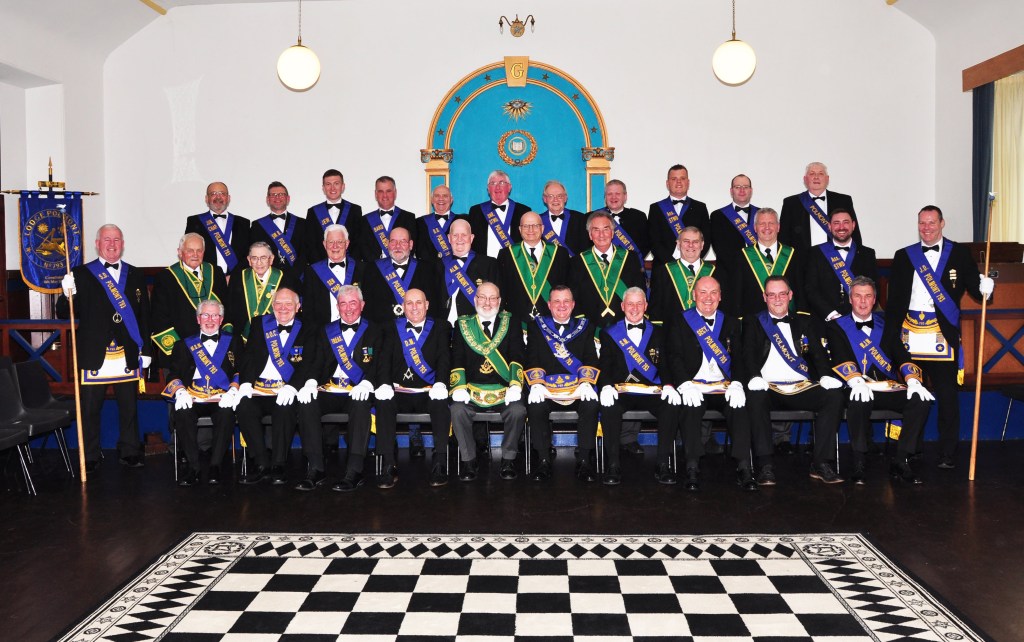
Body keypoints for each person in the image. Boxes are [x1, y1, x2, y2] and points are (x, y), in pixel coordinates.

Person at [882, 205, 993, 469]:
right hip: (910, 334)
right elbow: (894, 300)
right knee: (912, 395)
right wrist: (890, 336)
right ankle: (910, 449)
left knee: (947, 397)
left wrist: (985, 288)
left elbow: (975, 290)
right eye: (922, 223)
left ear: (942, 223)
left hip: (941, 335)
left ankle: (947, 452)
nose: (927, 228)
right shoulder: (904, 255)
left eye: (932, 222)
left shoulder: (959, 253)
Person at [59, 224, 152, 471]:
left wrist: (147, 350)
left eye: (117, 240)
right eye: (107, 240)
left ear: (123, 244)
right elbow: (64, 313)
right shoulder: (81, 273)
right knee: (90, 408)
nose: (112, 244)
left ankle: (130, 450)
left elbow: (144, 315)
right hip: (94, 351)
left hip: (127, 350)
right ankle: (90, 454)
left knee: (129, 407)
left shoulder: (135, 274)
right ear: (97, 244)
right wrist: (67, 294)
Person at [827, 277, 934, 484]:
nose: (863, 301)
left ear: (874, 299)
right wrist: (856, 381)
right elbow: (840, 357)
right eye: (858, 296)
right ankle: (859, 461)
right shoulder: (837, 326)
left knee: (920, 401)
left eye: (868, 296)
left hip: (885, 387)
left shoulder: (887, 325)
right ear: (850, 299)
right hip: (853, 386)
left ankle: (901, 460)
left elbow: (902, 355)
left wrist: (913, 380)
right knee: (858, 401)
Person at [741, 276, 845, 485]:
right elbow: (748, 354)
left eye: (782, 294)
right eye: (772, 295)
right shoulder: (754, 321)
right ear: (764, 297)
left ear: (790, 295)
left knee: (834, 396)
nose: (777, 299)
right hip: (768, 387)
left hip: (800, 387)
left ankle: (820, 462)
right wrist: (754, 377)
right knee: (755, 398)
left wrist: (825, 375)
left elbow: (818, 354)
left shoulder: (804, 321)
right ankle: (765, 465)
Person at [670, 276, 755, 491]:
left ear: (720, 296)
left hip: (723, 386)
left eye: (713, 292)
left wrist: (737, 383)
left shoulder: (732, 322)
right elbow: (674, 356)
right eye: (703, 292)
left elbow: (739, 358)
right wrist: (684, 384)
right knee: (690, 409)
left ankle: (744, 467)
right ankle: (692, 466)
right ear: (694, 295)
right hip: (694, 386)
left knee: (740, 407)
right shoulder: (680, 320)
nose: (708, 298)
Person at [294, 285, 382, 492]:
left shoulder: (375, 330)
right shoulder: (326, 331)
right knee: (307, 404)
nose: (348, 309)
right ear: (337, 306)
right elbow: (316, 361)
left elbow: (379, 364)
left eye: (353, 303)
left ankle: (355, 470)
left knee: (361, 405)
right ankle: (316, 468)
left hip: (357, 389)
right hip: (330, 388)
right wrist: (310, 382)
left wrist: (367, 383)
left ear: (362, 305)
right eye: (343, 304)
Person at [597, 287, 682, 485]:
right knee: (609, 407)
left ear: (646, 306)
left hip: (650, 391)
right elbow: (605, 364)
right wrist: (606, 386)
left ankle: (663, 464)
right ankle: (613, 464)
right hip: (622, 391)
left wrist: (669, 385)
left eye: (639, 304)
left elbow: (665, 364)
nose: (634, 308)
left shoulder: (659, 332)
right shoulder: (609, 332)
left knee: (671, 406)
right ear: (622, 306)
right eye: (630, 304)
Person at [233, 288, 317, 487]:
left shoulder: (308, 327)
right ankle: (261, 463)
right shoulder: (259, 323)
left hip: (286, 389)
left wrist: (293, 387)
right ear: (272, 306)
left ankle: (279, 464)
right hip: (260, 389)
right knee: (244, 407)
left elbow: (308, 363)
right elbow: (249, 356)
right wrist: (246, 383)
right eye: (278, 303)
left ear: (298, 307)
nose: (283, 308)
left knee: (284, 409)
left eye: (288, 304)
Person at [374, 289, 452, 487]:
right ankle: (388, 465)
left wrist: (441, 382)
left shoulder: (441, 327)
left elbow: (444, 357)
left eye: (419, 302)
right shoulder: (391, 327)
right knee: (383, 404)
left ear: (427, 305)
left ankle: (440, 462)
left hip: (429, 391)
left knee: (441, 405)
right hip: (400, 391)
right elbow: (383, 359)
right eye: (409, 303)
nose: (414, 307)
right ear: (403, 306)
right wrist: (384, 383)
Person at [450, 282, 527, 482]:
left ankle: (508, 459)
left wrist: (515, 384)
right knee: (457, 410)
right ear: (475, 299)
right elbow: (457, 357)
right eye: (482, 297)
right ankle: (469, 461)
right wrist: (459, 386)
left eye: (492, 298)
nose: (487, 303)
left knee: (518, 411)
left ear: (499, 301)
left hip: (504, 389)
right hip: (471, 390)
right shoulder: (462, 324)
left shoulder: (511, 322)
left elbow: (517, 354)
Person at [524, 286, 600, 482]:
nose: (562, 305)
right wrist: (537, 384)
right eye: (556, 301)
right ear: (549, 305)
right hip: (547, 389)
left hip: (576, 388)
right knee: (535, 405)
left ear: (573, 305)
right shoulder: (536, 326)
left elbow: (591, 358)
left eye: (566, 301)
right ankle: (543, 460)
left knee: (591, 404)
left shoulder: (585, 326)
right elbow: (532, 358)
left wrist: (585, 382)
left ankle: (584, 460)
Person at [162, 300, 242, 486]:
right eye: (205, 315)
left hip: (221, 397)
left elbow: (241, 370)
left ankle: (215, 465)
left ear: (221, 320)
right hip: (193, 396)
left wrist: (233, 390)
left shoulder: (234, 342)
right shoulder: (183, 345)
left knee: (226, 414)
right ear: (198, 319)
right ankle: (193, 467)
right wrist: (180, 391)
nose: (210, 320)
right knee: (182, 413)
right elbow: (173, 373)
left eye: (215, 316)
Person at [150, 233, 229, 365]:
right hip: (181, 352)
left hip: (215, 350)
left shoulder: (216, 272)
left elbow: (226, 309)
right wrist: (180, 351)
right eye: (190, 250)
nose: (195, 254)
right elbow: (159, 318)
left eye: (199, 250)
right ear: (180, 252)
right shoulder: (166, 277)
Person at [726, 207, 805, 319]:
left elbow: (800, 292)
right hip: (753, 322)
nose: (767, 227)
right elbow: (736, 295)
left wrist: (802, 318)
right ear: (755, 228)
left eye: (771, 223)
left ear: (778, 227)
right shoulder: (741, 256)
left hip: (789, 320)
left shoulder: (793, 254)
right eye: (762, 223)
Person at [569, 211, 645, 327]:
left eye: (606, 229)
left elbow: (639, 292)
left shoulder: (630, 258)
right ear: (590, 235)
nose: (601, 235)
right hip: (590, 328)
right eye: (596, 230)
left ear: (612, 233)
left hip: (623, 327)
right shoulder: (578, 262)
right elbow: (574, 299)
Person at [803, 208, 878, 323]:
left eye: (846, 222)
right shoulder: (815, 253)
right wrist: (832, 314)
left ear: (853, 225)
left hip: (857, 320)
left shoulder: (868, 254)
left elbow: (873, 289)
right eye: (836, 223)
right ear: (829, 226)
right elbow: (811, 290)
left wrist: (857, 315)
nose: (841, 227)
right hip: (825, 320)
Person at [497, 211, 571, 327]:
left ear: (542, 228)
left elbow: (566, 286)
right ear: (520, 229)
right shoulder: (506, 254)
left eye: (535, 225)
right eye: (526, 226)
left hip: (551, 320)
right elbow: (502, 289)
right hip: (517, 321)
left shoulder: (559, 253)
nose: (530, 230)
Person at [361, 226, 441, 323]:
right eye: (393, 241)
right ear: (387, 244)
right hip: (382, 329)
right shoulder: (372, 269)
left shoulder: (427, 269)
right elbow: (367, 309)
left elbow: (433, 307)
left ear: (410, 245)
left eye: (403, 242)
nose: (397, 246)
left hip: (416, 329)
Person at [779, 162, 861, 252]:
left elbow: (854, 232)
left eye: (821, 174)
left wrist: (858, 255)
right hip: (803, 259)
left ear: (827, 179)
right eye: (812, 173)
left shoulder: (843, 200)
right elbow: (784, 237)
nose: (816, 177)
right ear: (805, 179)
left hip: (836, 258)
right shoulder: (791, 203)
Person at [227, 242, 296, 342]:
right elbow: (230, 308)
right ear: (249, 260)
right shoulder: (238, 277)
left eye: (263, 258)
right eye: (254, 258)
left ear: (271, 259)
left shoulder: (285, 279)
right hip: (241, 339)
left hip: (274, 337)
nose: (259, 263)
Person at [650, 226, 720, 323]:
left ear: (702, 245)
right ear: (678, 244)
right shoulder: (663, 272)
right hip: (672, 331)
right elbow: (655, 312)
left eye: (695, 242)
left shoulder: (715, 272)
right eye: (686, 241)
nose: (691, 245)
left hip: (706, 330)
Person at [301, 224, 365, 325]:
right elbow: (308, 310)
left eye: (340, 242)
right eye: (331, 242)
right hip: (323, 331)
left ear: (347, 244)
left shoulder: (362, 269)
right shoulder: (312, 272)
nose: (335, 246)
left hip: (358, 329)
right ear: (324, 244)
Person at [184, 181, 251, 277]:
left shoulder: (243, 223)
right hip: (206, 278)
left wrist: (235, 277)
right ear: (206, 199)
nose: (218, 197)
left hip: (235, 279)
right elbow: (189, 253)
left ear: (228, 198)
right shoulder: (194, 221)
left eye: (222, 193)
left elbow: (247, 254)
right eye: (213, 194)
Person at [648, 164, 711, 265]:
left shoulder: (700, 208)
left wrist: (690, 262)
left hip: (692, 266)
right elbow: (653, 241)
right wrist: (672, 265)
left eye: (682, 178)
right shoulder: (656, 208)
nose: (678, 182)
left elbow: (706, 240)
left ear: (688, 183)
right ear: (667, 183)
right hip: (663, 267)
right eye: (674, 179)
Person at [442, 218, 499, 325]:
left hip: (475, 326)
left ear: (471, 238)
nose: (459, 239)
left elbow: (497, 299)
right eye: (455, 235)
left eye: (464, 235)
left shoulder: (489, 264)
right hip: (442, 326)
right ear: (449, 238)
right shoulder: (436, 265)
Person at [250, 181, 308, 281]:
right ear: (268, 200)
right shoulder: (257, 225)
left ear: (288, 198)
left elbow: (305, 253)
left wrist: (294, 275)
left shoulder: (302, 223)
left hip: (296, 278)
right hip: (268, 278)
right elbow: (255, 254)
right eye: (273, 195)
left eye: (281, 194)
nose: (277, 197)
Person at [467, 170, 532, 257]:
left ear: (509, 187)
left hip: (513, 263)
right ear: (488, 189)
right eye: (493, 183)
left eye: (501, 183)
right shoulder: (476, 211)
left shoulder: (523, 211)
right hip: (484, 263)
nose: (497, 187)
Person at [353, 176, 418, 263]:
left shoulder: (409, 218)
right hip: (373, 268)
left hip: (402, 267)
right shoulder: (364, 220)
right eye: (380, 191)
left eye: (388, 191)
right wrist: (378, 265)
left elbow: (412, 247)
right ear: (376, 194)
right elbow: (362, 248)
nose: (385, 195)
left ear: (395, 193)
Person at [305, 169, 363, 264]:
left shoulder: (355, 210)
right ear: (323, 188)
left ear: (343, 186)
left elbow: (358, 242)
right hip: (321, 266)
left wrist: (351, 265)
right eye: (328, 184)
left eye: (336, 183)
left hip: (349, 265)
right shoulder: (313, 212)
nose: (332, 188)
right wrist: (319, 266)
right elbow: (311, 244)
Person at [588, 179, 650, 264]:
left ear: (625, 196)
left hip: (630, 266)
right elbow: (587, 245)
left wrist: (632, 262)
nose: (613, 197)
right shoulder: (592, 217)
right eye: (609, 194)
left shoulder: (638, 217)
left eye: (617, 194)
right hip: (600, 265)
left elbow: (646, 245)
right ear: (605, 197)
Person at [709, 174, 759, 261]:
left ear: (751, 191)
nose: (742, 190)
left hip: (758, 266)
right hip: (729, 266)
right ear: (731, 191)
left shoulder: (762, 214)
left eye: (746, 187)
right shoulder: (717, 216)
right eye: (737, 187)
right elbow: (719, 249)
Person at [537, 180, 589, 257]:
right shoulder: (538, 221)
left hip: (574, 264)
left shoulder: (580, 219)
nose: (555, 199)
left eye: (559, 196)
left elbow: (586, 249)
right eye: (551, 196)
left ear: (565, 198)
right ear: (545, 199)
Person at [414, 184, 460, 266]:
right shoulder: (418, 222)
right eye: (437, 196)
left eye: (445, 196)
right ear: (432, 200)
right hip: (426, 270)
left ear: (451, 200)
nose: (441, 199)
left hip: (453, 270)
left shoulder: (461, 221)